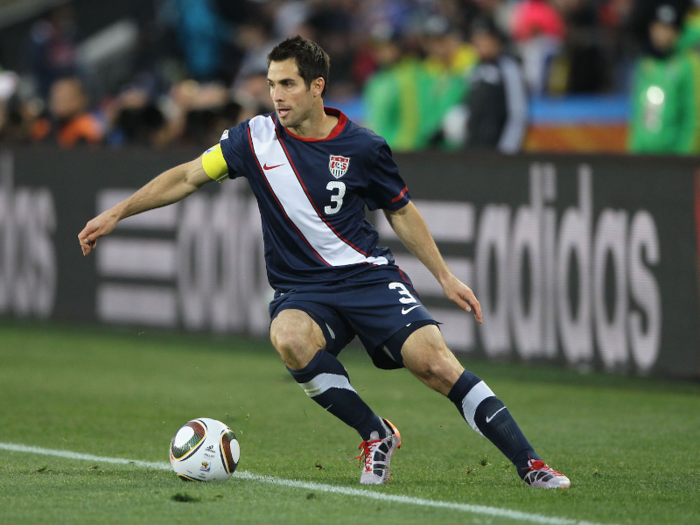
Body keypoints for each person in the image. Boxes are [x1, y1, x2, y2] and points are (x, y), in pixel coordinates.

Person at [78, 36, 569, 489]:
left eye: (288, 84)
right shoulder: (254, 139)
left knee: (436, 364)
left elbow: (400, 210)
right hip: (304, 291)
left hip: (369, 278)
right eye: (271, 84)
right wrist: (118, 212)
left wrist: (444, 275)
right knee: (288, 337)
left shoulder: (363, 146)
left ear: (317, 87)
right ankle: (375, 433)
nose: (277, 96)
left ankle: (531, 464)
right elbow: (186, 177)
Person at [628, 4, 700, 154]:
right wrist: (634, 151)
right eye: (659, 27)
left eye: (669, 29)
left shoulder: (687, 65)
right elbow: (639, 114)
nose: (663, 34)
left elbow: (692, 117)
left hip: (674, 159)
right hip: (645, 157)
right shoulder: (645, 63)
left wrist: (683, 157)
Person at [464, 17, 528, 154]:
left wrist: (507, 150)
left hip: (499, 150)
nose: (481, 43)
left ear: (496, 40)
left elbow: (517, 113)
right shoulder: (473, 69)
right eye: (477, 39)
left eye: (485, 38)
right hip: (473, 150)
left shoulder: (509, 68)